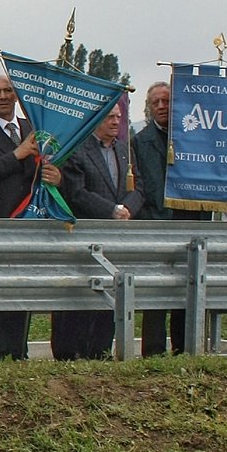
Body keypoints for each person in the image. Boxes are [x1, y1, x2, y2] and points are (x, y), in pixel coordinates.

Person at [0, 74, 61, 361]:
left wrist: (57, 178)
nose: (4, 96)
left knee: (22, 286)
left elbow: (50, 169)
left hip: (30, 224)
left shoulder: (34, 130)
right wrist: (18, 154)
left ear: (17, 96)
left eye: (8, 90)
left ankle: (18, 349)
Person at [51, 106, 138, 360]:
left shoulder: (124, 150)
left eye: (119, 118)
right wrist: (111, 209)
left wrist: (128, 209)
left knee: (110, 291)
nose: (116, 122)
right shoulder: (78, 150)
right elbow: (77, 192)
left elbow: (138, 185)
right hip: (85, 234)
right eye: (110, 117)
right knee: (80, 294)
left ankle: (100, 350)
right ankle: (70, 352)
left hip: (117, 235)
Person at [132, 81, 192, 355]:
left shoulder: (193, 136)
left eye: (166, 101)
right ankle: (153, 350)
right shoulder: (140, 140)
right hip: (157, 220)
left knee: (187, 286)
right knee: (157, 289)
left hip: (190, 218)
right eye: (155, 102)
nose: (161, 106)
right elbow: (143, 184)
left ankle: (184, 345)